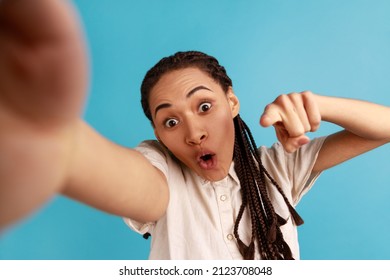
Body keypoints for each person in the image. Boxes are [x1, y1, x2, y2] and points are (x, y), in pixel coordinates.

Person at [1, 0, 389, 259]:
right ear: (157, 132)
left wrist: (318, 106)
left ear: (232, 103)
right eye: (170, 121)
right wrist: (58, 144)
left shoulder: (279, 169)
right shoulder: (162, 172)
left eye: (204, 106)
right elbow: (137, 187)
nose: (193, 133)